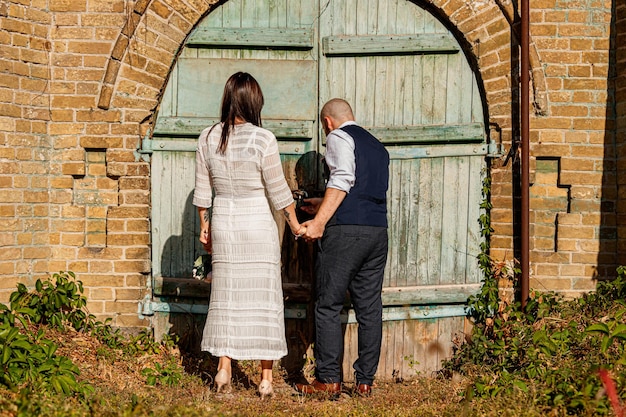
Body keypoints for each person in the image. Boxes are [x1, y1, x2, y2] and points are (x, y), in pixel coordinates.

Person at [193, 72, 306, 399]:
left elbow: (203, 191)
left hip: (225, 221)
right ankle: (266, 378)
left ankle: (224, 370)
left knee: (226, 295)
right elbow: (278, 191)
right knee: (264, 297)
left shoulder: (207, 137)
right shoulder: (262, 138)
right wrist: (296, 225)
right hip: (257, 222)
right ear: (254, 101)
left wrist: (205, 225)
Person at [295, 98, 390, 398]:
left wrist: (320, 221)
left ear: (327, 122)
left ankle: (328, 380)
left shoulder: (338, 136)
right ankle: (364, 382)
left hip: (345, 234)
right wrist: (321, 204)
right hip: (376, 232)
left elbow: (343, 177)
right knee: (370, 308)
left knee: (328, 304)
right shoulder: (377, 146)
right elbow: (359, 189)